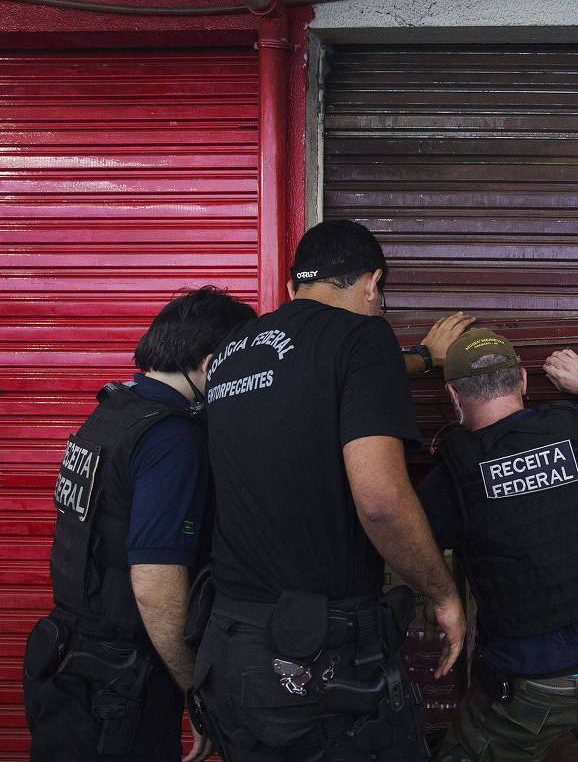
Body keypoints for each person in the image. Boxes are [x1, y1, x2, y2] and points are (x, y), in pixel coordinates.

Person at [195, 219, 469, 760]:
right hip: (313, 666)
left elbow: (312, 381)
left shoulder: (232, 353)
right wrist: (443, 595)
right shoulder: (363, 336)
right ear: (372, 284)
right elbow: (382, 503)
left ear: (293, 287)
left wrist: (417, 359)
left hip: (231, 647)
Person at [418, 328, 578, 762]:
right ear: (523, 380)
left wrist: (443, 597)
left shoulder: (452, 477)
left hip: (523, 689)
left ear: (453, 396)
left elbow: (401, 538)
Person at [22, 286, 256, 762]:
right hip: (118, 683)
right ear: (213, 365)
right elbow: (154, 581)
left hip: (66, 660)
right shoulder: (171, 438)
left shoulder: (115, 410)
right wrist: (195, 688)